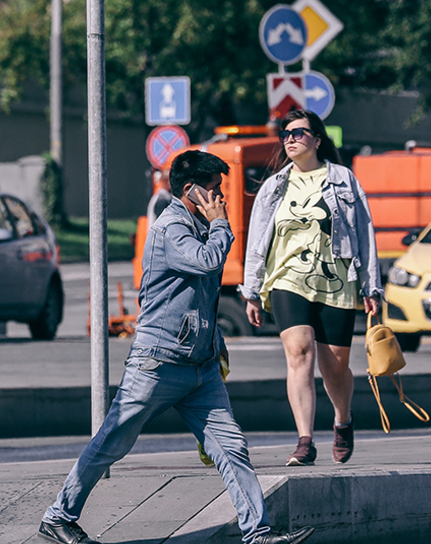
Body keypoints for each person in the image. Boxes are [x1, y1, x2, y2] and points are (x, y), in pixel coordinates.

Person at [37, 150, 314, 544]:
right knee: (112, 442)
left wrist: (214, 344)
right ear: (191, 190)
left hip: (200, 370)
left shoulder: (198, 224)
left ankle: (258, 535)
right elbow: (206, 262)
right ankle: (58, 517)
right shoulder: (171, 228)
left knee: (232, 448)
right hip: (158, 363)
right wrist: (221, 224)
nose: (221, 198)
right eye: (215, 190)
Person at [239, 109, 382, 466]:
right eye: (286, 134)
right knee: (299, 352)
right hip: (287, 279)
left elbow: (365, 232)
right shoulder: (274, 187)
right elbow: (257, 240)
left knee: (334, 366)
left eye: (299, 133)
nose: (290, 139)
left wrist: (372, 286)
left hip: (337, 279)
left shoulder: (343, 180)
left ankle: (342, 420)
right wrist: (251, 289)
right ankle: (305, 440)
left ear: (317, 140)